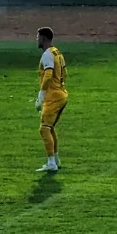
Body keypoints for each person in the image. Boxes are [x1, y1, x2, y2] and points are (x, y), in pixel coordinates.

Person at [34, 26, 68, 174]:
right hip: (61, 94)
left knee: (44, 129)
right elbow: (65, 72)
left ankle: (51, 163)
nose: (37, 39)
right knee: (50, 127)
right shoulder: (57, 53)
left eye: (38, 37)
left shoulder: (47, 55)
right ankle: (56, 160)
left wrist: (41, 96)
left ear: (44, 38)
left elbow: (48, 75)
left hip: (53, 97)